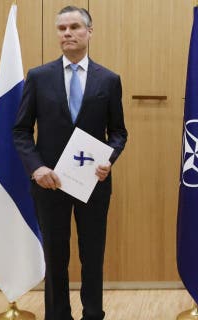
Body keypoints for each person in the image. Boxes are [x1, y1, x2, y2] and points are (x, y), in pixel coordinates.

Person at [13, 6, 127, 320]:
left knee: (92, 255)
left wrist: (109, 159)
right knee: (55, 255)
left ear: (89, 32)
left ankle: (93, 313)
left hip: (94, 182)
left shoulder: (109, 79)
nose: (67, 33)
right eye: (62, 28)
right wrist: (36, 168)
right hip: (49, 184)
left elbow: (118, 132)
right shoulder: (38, 77)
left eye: (75, 27)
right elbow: (21, 130)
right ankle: (57, 315)